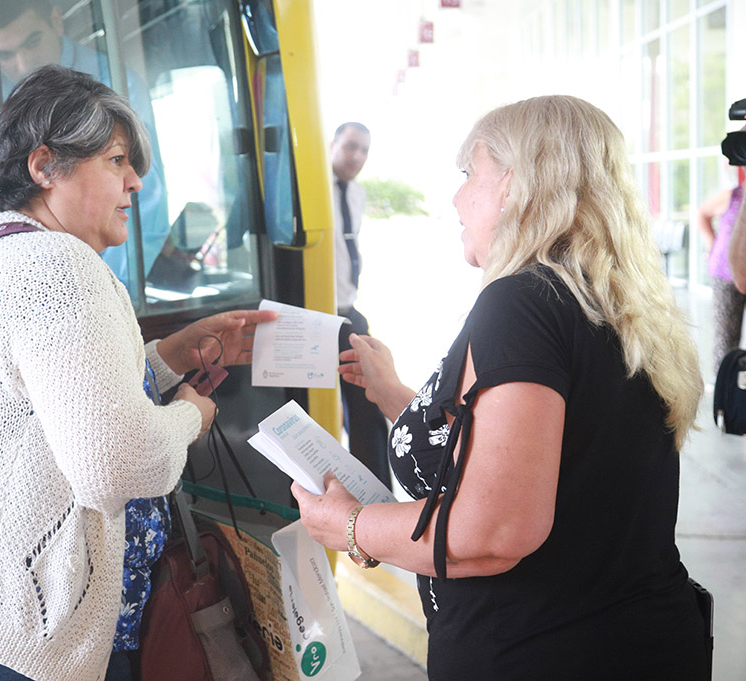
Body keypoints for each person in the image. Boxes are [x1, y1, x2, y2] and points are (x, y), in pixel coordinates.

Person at [293, 95, 709, 680]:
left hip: (541, 650)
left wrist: (352, 525)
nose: (456, 198)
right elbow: (528, 448)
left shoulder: (521, 303)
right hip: (642, 638)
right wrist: (394, 395)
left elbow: (495, 530)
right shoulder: (611, 302)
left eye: (470, 174)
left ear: (515, 185)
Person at [0, 65, 276, 681]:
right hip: (18, 635)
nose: (135, 183)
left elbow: (50, 403)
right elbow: (118, 464)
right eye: (116, 161)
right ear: (45, 166)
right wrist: (190, 417)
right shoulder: (60, 269)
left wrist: (170, 354)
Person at [0, 0, 170, 294]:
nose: (23, 64)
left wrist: (103, 292)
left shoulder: (119, 85)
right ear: (41, 167)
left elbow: (148, 205)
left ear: (56, 20)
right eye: (6, 54)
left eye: (33, 41)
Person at [329, 121, 391, 487]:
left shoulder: (356, 194)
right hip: (318, 310)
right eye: (351, 146)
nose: (357, 156)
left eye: (364, 150)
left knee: (369, 403)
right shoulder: (312, 191)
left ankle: (376, 490)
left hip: (347, 309)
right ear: (332, 144)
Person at [698, 179, 745, 369]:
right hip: (724, 274)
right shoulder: (734, 196)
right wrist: (711, 242)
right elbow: (702, 213)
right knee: (725, 339)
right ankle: (724, 388)